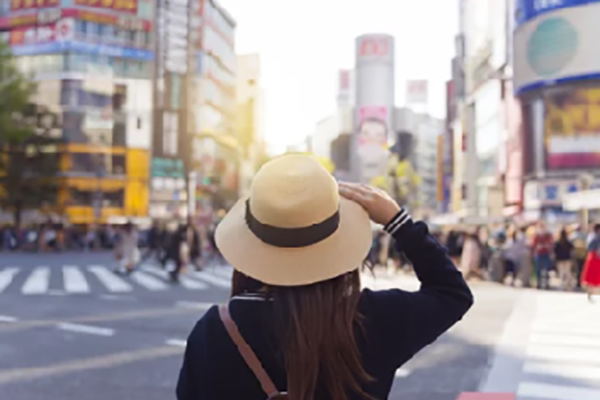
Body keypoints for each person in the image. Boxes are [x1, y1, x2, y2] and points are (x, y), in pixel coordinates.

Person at [176, 154, 473, 400]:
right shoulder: (373, 318)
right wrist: (398, 222)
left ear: (253, 242)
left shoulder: (215, 331)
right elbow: (453, 294)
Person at [532, 222, 554, 289]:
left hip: (546, 253)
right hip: (539, 254)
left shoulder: (548, 235)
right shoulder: (537, 236)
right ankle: (538, 283)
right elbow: (534, 245)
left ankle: (547, 283)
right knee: (538, 269)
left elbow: (551, 244)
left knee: (547, 269)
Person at [581, 224, 600, 302]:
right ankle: (595, 292)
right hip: (597, 256)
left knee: (590, 275)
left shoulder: (590, 236)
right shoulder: (598, 237)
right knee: (596, 275)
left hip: (590, 256)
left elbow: (587, 246)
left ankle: (590, 292)